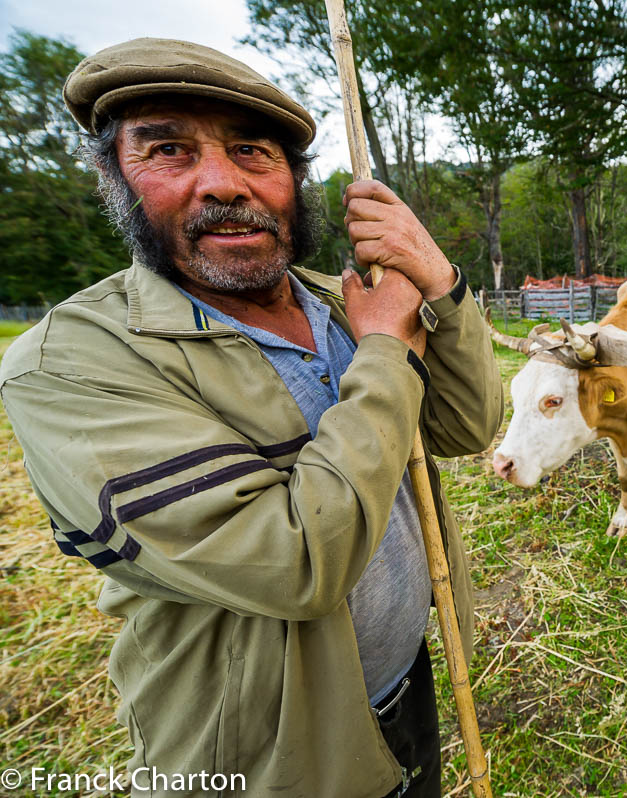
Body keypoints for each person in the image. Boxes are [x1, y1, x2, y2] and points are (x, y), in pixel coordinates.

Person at [0, 39, 502, 798]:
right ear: (114, 178)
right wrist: (385, 349)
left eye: (251, 150)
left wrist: (438, 282)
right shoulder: (74, 362)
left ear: (293, 181)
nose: (222, 183)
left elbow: (468, 426)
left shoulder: (338, 299)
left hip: (409, 681)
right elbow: (297, 563)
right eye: (169, 149)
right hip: (264, 756)